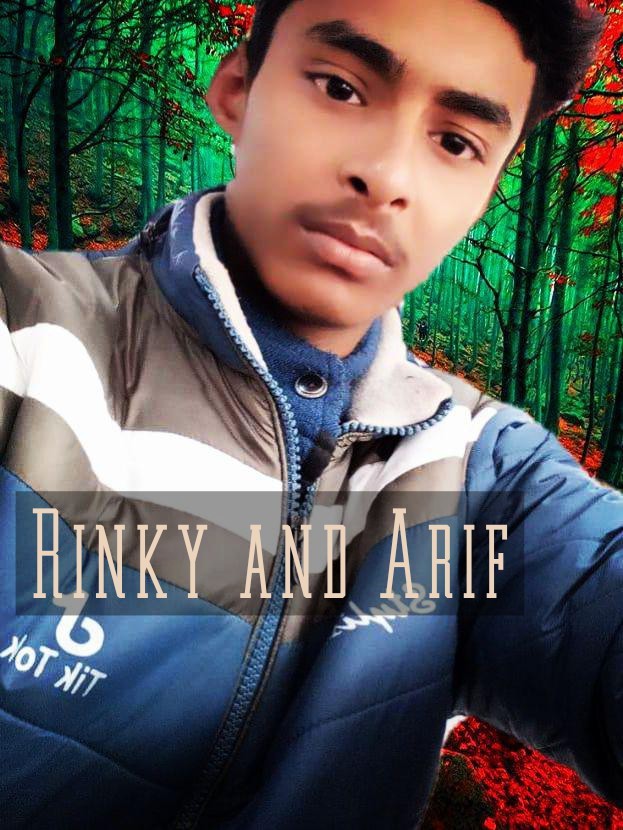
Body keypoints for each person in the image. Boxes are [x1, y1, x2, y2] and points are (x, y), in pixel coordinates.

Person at [0, 0, 620, 828]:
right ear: (236, 87)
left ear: (483, 195)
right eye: (339, 87)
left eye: (454, 143)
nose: (387, 177)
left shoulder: (482, 479)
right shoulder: (27, 339)